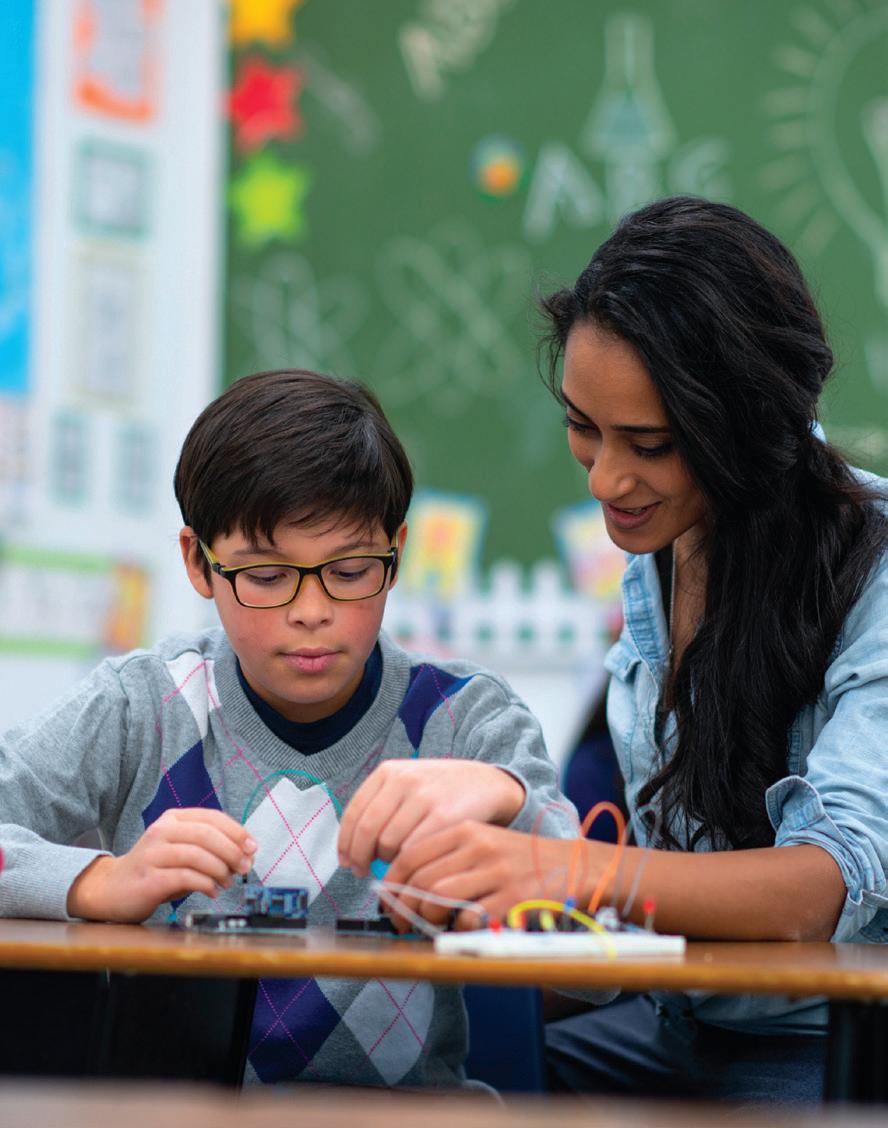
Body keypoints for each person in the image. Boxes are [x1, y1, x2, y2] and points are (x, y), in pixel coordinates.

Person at [382, 196, 888, 1103]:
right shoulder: (663, 549)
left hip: (833, 1046)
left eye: (648, 444)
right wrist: (495, 902)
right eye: (584, 427)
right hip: (675, 1025)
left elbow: (823, 887)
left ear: (746, 427)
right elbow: (645, 917)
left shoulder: (874, 567)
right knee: (429, 1087)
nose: (607, 479)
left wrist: (562, 870)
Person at [0, 368, 576, 1090]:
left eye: (350, 570)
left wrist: (509, 800)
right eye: (267, 576)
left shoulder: (464, 720)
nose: (311, 611)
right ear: (198, 562)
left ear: (397, 554)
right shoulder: (138, 706)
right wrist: (100, 881)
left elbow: (596, 956)